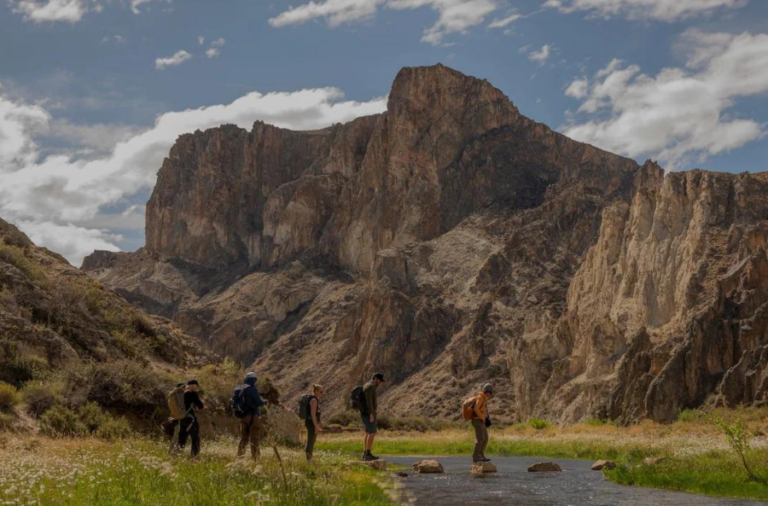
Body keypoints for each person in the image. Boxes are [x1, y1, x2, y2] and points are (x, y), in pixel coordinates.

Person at [237, 372, 267, 460]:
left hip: (243, 417)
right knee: (255, 438)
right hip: (253, 416)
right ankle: (256, 458)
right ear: (253, 379)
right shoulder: (252, 388)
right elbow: (258, 402)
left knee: (244, 438)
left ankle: (239, 457)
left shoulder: (241, 388)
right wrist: (264, 402)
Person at [177, 379, 204, 458]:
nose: (197, 388)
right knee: (195, 438)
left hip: (181, 418)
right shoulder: (192, 393)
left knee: (182, 438)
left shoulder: (181, 393)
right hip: (190, 419)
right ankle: (194, 457)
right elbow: (200, 406)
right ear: (193, 386)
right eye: (196, 386)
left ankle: (178, 455)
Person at [361, 372, 384, 461]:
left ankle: (366, 453)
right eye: (379, 381)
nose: (380, 383)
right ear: (375, 379)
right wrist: (371, 413)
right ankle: (368, 453)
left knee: (368, 432)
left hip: (366, 412)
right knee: (372, 432)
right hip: (369, 413)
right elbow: (369, 401)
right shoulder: (370, 386)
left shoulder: (367, 385)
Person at [471, 383, 494, 463]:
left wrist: (485, 417)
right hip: (477, 420)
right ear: (488, 391)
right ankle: (475, 457)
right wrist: (482, 417)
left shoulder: (484, 398)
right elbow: (476, 409)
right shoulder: (480, 397)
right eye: (491, 392)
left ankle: (481, 455)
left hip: (481, 421)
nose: (491, 394)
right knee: (480, 439)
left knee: (486, 438)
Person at [161, 382, 186, 452]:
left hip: (174, 418)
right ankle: (173, 453)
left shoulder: (172, 395)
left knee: (176, 437)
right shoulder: (181, 396)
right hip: (181, 418)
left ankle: (172, 452)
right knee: (177, 437)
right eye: (184, 388)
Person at [305, 384, 324, 461]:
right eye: (321, 391)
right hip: (311, 422)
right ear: (316, 391)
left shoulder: (315, 399)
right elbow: (313, 414)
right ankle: (309, 459)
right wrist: (316, 426)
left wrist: (319, 424)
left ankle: (310, 457)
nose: (321, 393)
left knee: (312, 440)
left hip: (312, 422)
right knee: (311, 440)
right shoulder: (313, 400)